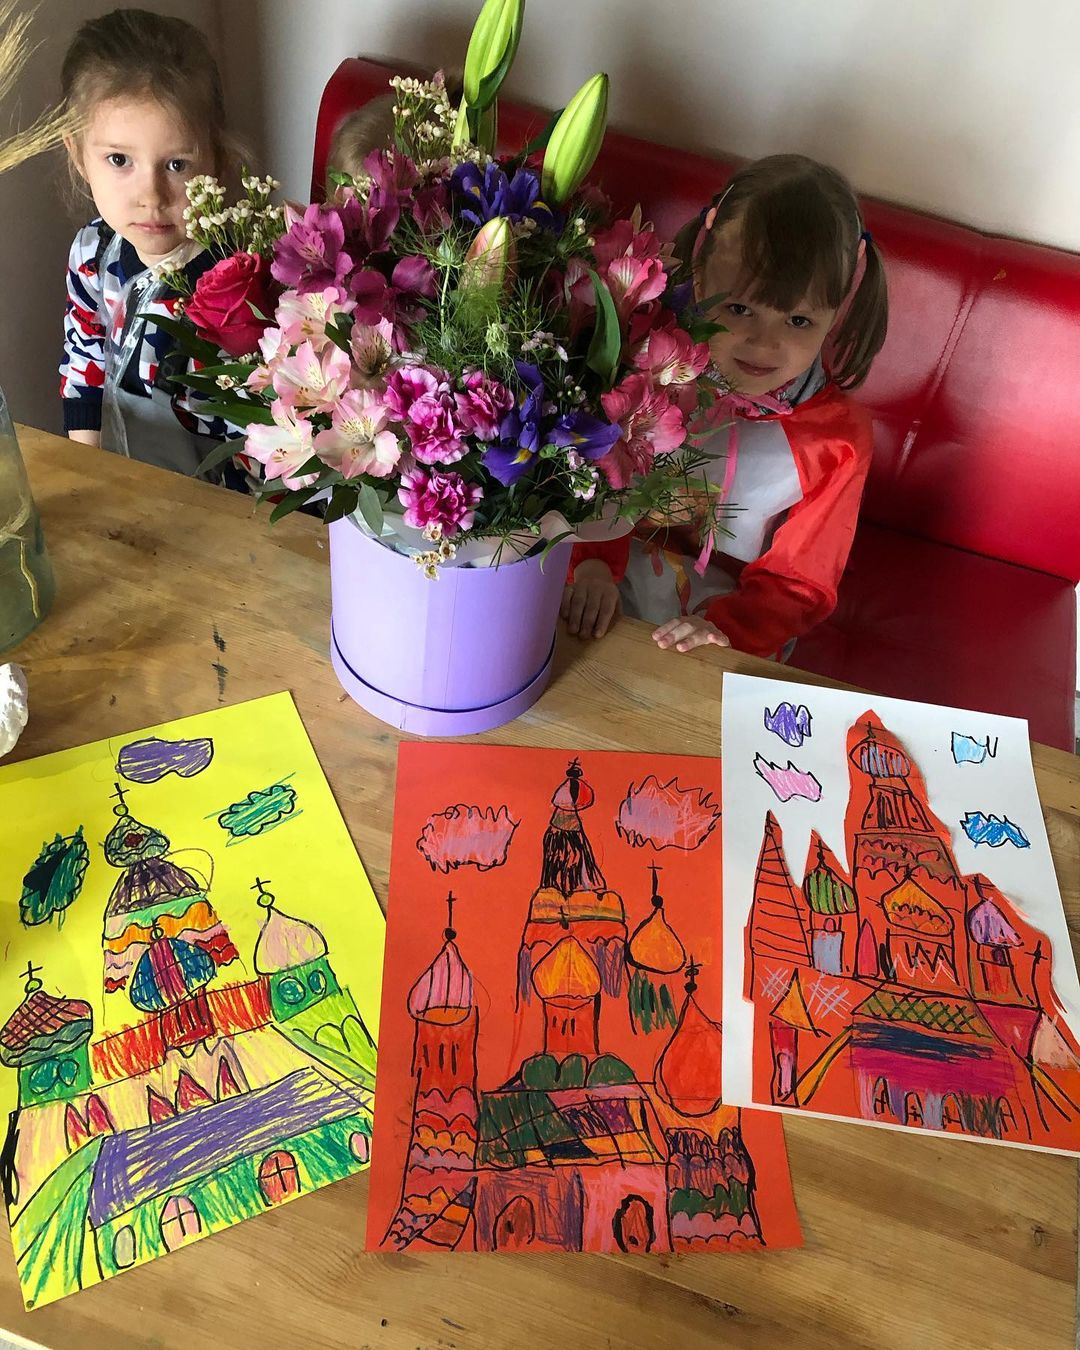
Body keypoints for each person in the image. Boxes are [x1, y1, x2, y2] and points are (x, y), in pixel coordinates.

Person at [563, 153, 888, 659]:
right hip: (604, 584)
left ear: (839, 306)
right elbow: (596, 483)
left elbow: (798, 582)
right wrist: (592, 564)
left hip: (734, 626)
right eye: (740, 308)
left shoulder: (840, 439)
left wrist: (726, 630)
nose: (764, 344)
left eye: (799, 321)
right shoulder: (647, 364)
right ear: (701, 275)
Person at [59, 8, 244, 481]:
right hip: (126, 477)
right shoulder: (92, 253)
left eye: (177, 165)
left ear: (217, 159)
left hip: (217, 494)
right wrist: (87, 471)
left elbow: (256, 427)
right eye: (119, 160)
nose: (152, 196)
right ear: (78, 155)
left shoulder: (238, 276)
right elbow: (84, 360)